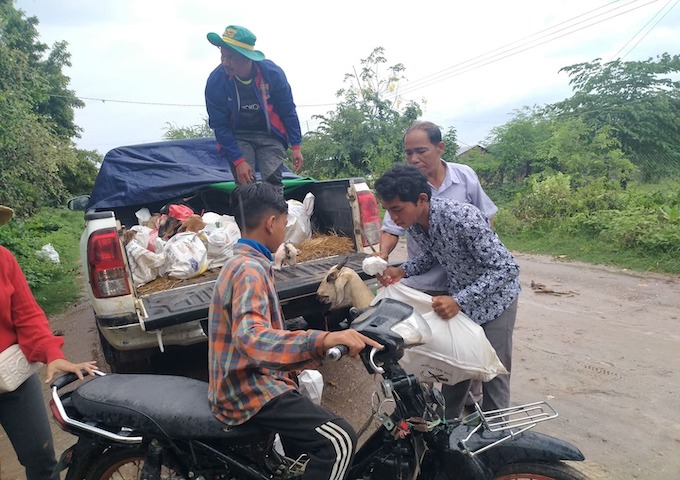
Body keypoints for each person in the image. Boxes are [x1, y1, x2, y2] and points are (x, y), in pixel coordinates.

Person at [207, 183, 381, 480]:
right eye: (286, 222)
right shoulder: (249, 271)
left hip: (256, 376)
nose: (286, 229)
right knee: (338, 441)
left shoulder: (246, 262)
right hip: (247, 388)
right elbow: (252, 337)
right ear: (271, 223)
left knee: (301, 452)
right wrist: (323, 338)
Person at [374, 166, 520, 418]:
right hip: (461, 300)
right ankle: (445, 431)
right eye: (387, 210)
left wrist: (459, 301)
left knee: (493, 371)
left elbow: (507, 268)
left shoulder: (461, 218)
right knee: (454, 367)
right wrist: (403, 271)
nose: (393, 218)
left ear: (421, 199)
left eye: (397, 209)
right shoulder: (417, 223)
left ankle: (495, 440)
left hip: (496, 300)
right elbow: (436, 254)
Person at [378, 120, 497, 408]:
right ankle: (442, 421)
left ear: (439, 148)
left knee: (485, 362)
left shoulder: (461, 196)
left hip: (478, 289)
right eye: (408, 153)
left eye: (420, 151)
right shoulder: (407, 206)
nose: (414, 158)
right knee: (443, 357)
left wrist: (463, 291)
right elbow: (423, 249)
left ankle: (492, 428)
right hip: (439, 287)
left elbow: (501, 262)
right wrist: (392, 265)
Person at [0, 205, 97, 480]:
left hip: (11, 379)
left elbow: (28, 316)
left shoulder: (3, 259)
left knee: (41, 459)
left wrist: (51, 353)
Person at [205, 25, 304, 194]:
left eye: (230, 57)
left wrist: (296, 145)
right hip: (238, 135)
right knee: (246, 186)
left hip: (270, 134)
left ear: (246, 58)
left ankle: (276, 219)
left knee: (272, 184)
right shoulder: (216, 82)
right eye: (222, 55)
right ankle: (248, 220)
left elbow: (288, 109)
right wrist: (238, 161)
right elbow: (219, 125)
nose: (224, 62)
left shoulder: (272, 74)